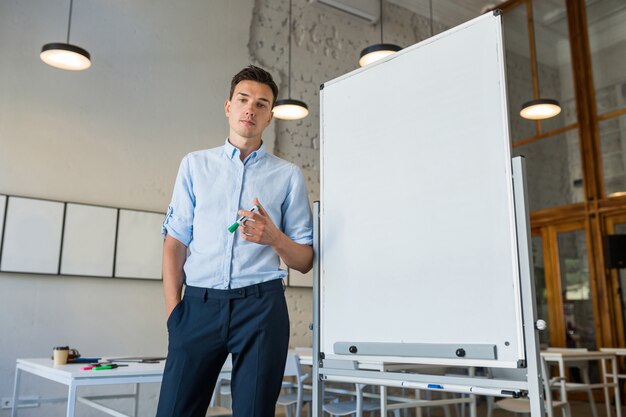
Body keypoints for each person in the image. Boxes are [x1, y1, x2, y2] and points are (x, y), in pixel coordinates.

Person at [156, 65, 314, 417]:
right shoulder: (195, 165)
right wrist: (174, 314)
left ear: (270, 117)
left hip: (261, 308)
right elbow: (175, 242)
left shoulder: (287, 176)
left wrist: (274, 237)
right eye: (243, 100)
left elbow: (304, 260)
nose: (250, 109)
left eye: (261, 104)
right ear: (228, 106)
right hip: (197, 306)